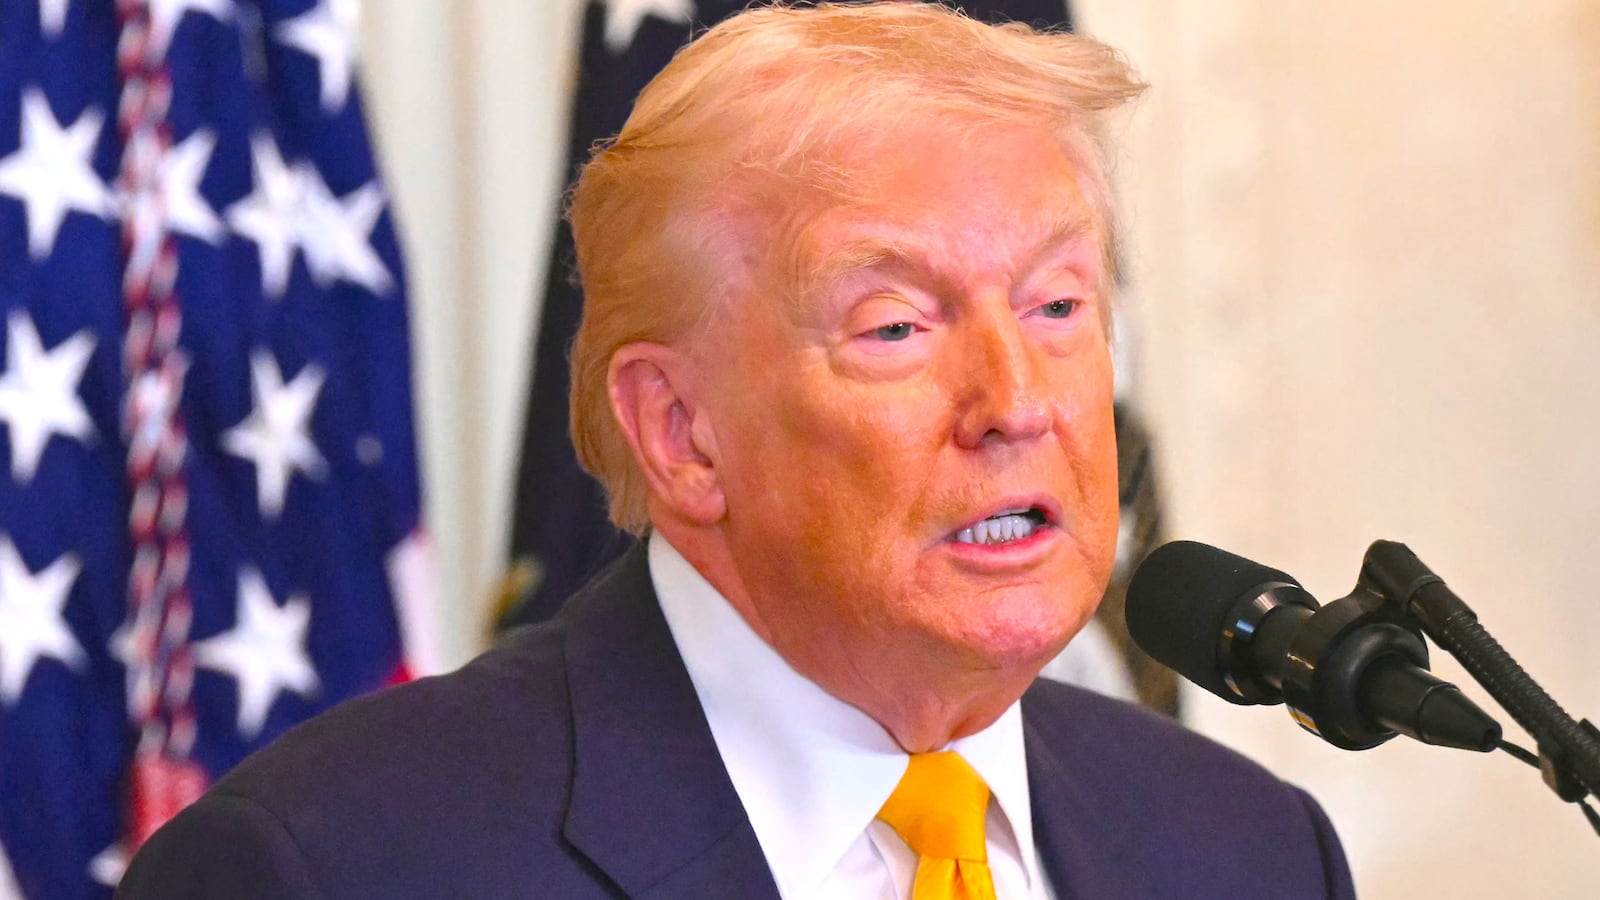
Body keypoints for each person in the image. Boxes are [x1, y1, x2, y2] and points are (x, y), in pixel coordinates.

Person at [118, 4, 1355, 898]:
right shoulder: (335, 866)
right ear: (680, 434)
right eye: (896, 325)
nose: (1016, 402)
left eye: (1056, 306)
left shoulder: (1247, 852)